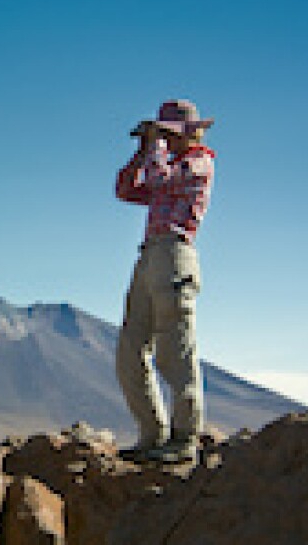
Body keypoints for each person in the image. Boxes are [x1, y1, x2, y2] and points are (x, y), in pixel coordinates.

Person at [114, 99, 216, 464]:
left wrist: (155, 148)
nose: (165, 140)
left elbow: (158, 180)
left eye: (169, 134)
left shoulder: (198, 162)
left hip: (175, 255)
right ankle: (152, 435)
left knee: (175, 349)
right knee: (130, 348)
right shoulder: (168, 165)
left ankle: (185, 438)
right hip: (149, 257)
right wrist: (142, 152)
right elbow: (126, 190)